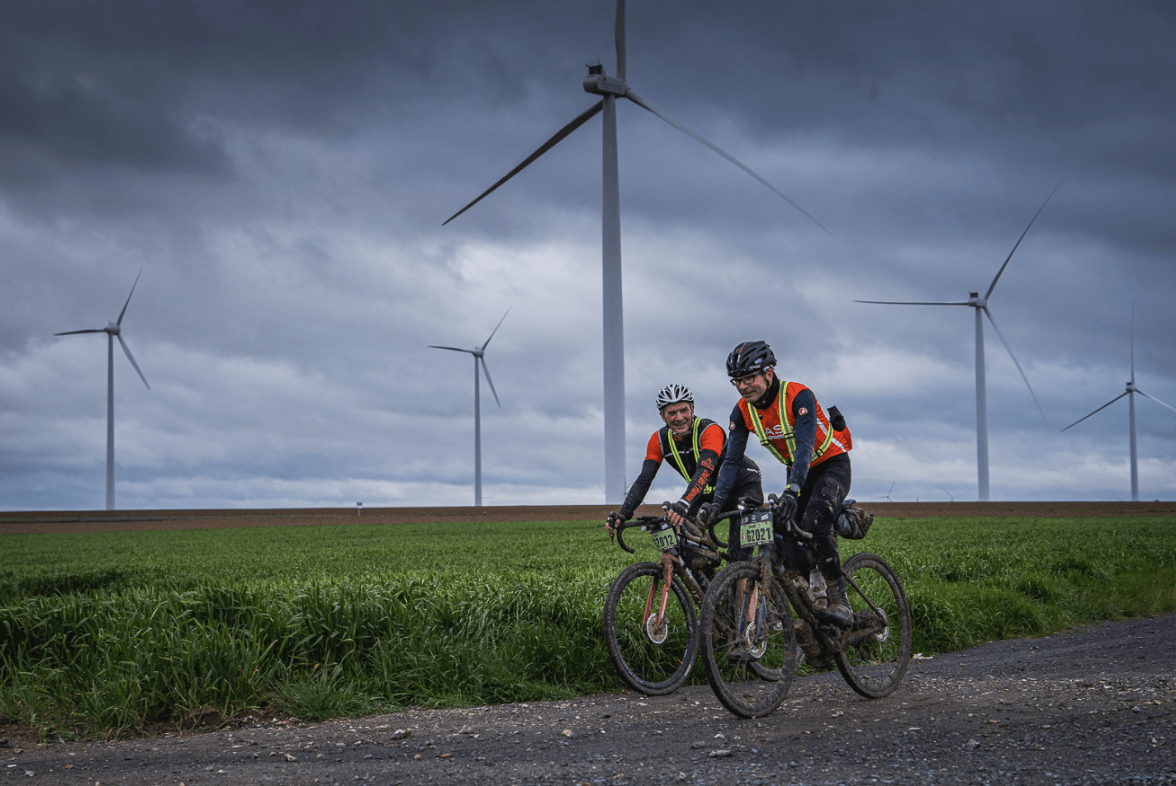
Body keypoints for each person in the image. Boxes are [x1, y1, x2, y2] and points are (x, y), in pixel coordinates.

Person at [706, 340, 855, 627]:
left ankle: (840, 602)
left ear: (769, 373)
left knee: (814, 522)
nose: (743, 386)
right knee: (783, 533)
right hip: (796, 471)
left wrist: (793, 491)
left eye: (749, 378)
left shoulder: (798, 396)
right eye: (737, 381)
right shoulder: (742, 411)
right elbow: (732, 461)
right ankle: (810, 595)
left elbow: (804, 448)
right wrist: (716, 502)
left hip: (829, 464)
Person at [605, 383, 763, 574]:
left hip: (743, 488)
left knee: (740, 560)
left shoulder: (710, 430)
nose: (679, 418)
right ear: (662, 416)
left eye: (683, 410)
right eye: (672, 413)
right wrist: (624, 513)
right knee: (691, 554)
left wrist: (684, 502)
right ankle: (717, 597)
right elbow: (644, 479)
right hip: (706, 493)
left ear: (692, 409)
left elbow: (705, 469)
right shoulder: (659, 440)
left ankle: (744, 597)